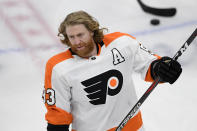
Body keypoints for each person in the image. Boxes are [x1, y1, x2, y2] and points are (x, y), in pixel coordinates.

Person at [42, 10, 182, 131]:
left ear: (91, 31)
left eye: (80, 35)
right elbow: (58, 114)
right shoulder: (58, 67)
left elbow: (149, 64)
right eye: (71, 37)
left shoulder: (121, 43)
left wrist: (161, 68)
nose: (76, 42)